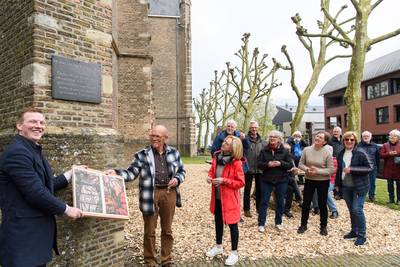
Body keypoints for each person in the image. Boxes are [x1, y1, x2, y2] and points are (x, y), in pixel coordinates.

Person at [0, 107, 83, 267]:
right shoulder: (17, 152)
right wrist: (66, 209)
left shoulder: (30, 149)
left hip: (34, 238)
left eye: (41, 122)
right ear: (19, 126)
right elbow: (35, 192)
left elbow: (43, 185)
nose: (38, 125)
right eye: (33, 121)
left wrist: (70, 174)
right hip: (23, 239)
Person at [106, 125, 185, 267]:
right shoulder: (141, 155)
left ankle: (166, 260)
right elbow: (131, 173)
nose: (154, 138)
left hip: (169, 193)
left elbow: (182, 171)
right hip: (150, 194)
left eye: (157, 136)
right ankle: (150, 260)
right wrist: (117, 173)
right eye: (152, 135)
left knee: (167, 230)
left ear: (165, 138)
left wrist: (177, 179)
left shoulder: (174, 153)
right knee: (149, 230)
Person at [206, 136, 245, 266]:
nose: (223, 144)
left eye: (226, 143)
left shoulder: (237, 162)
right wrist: (209, 177)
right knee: (218, 222)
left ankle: (234, 253)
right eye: (224, 142)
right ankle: (218, 247)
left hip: (230, 200)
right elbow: (212, 171)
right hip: (217, 197)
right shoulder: (217, 156)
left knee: (233, 225)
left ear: (233, 148)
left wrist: (224, 181)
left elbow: (240, 183)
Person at [335, 131, 373, 246]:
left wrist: (352, 169)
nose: (349, 142)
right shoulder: (340, 153)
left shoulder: (361, 152)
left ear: (355, 141)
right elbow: (339, 170)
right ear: (343, 141)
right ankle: (354, 231)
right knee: (351, 210)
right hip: (346, 186)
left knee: (357, 209)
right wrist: (337, 184)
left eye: (352, 140)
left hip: (359, 187)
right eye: (347, 140)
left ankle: (362, 235)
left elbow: (369, 168)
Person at [297, 131, 334, 236]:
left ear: (325, 141)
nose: (317, 138)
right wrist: (307, 169)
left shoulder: (327, 152)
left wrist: (318, 171)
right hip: (309, 179)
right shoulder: (307, 150)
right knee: (306, 203)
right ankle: (303, 225)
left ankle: (323, 226)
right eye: (317, 136)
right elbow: (300, 164)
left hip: (323, 181)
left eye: (320, 137)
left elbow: (331, 170)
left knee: (322, 204)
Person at [257, 130, 293, 232]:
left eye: (275, 137)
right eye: (271, 137)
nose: (272, 138)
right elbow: (259, 164)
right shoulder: (264, 150)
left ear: (279, 139)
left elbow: (290, 165)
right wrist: (267, 164)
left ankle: (278, 222)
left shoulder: (285, 151)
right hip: (266, 179)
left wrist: (280, 163)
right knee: (264, 201)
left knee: (280, 202)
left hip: (281, 180)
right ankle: (261, 223)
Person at [243, 121, 265, 216]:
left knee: (260, 189)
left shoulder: (262, 141)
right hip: (248, 168)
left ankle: (259, 208)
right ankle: (246, 209)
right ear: (249, 128)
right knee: (247, 190)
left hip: (259, 169)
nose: (254, 129)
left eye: (255, 127)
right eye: (252, 127)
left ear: (258, 128)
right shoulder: (245, 140)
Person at [358, 131, 380, 202]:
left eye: (367, 136)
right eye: (364, 136)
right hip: (361, 168)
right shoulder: (358, 145)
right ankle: (361, 196)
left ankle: (371, 196)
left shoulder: (375, 146)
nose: (366, 137)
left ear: (370, 137)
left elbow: (377, 158)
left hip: (372, 168)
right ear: (362, 137)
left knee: (372, 183)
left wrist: (377, 168)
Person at [379, 129, 400, 205]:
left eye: (394, 136)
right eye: (390, 136)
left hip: (398, 169)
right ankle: (391, 199)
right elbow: (381, 155)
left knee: (399, 185)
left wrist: (397, 153)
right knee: (390, 185)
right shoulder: (385, 145)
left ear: (398, 137)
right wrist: (389, 153)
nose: (392, 137)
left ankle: (399, 200)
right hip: (388, 168)